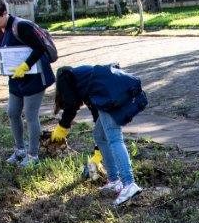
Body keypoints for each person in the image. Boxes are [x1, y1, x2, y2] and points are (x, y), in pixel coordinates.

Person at [49, 64, 147, 206]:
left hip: (112, 94)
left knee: (114, 138)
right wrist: (97, 151)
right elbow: (97, 115)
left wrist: (62, 127)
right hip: (113, 92)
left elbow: (71, 105)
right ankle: (114, 180)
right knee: (100, 135)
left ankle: (129, 183)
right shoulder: (87, 80)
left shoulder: (66, 76)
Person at [0, 0, 55, 168]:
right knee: (12, 112)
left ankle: (33, 155)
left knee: (30, 115)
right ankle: (20, 150)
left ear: (4, 13)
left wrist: (26, 65)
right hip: (16, 79)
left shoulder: (21, 26)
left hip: (34, 78)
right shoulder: (0, 30)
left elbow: (40, 47)